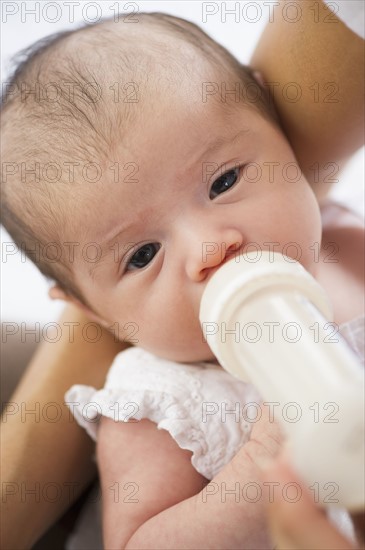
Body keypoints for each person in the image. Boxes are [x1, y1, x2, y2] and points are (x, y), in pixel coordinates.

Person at [1, 3, 363, 549]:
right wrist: (268, 454)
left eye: (222, 182)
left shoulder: (346, 248)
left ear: (275, 124)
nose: (209, 249)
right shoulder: (155, 402)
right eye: (143, 255)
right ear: (96, 312)